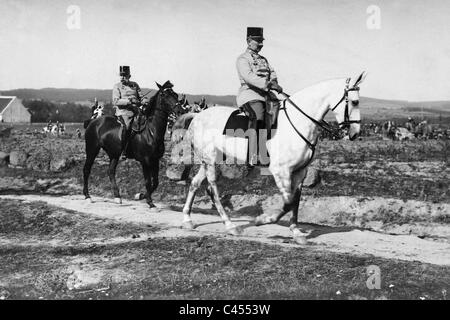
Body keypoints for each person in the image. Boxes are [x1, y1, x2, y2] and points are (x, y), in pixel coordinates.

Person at [236, 27, 283, 166]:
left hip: (266, 94)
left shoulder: (264, 59)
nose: (261, 44)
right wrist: (268, 84)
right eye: (258, 41)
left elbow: (272, 72)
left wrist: (274, 82)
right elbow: (249, 77)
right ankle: (253, 155)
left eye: (262, 41)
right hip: (250, 94)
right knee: (259, 115)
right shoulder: (243, 59)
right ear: (249, 41)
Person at [112, 65, 148, 160]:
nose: (122, 77)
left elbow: (141, 96)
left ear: (129, 76)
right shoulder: (117, 87)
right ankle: (123, 151)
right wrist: (130, 101)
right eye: (121, 75)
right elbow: (115, 101)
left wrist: (144, 100)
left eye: (125, 75)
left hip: (136, 111)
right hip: (123, 112)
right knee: (127, 127)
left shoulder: (135, 85)